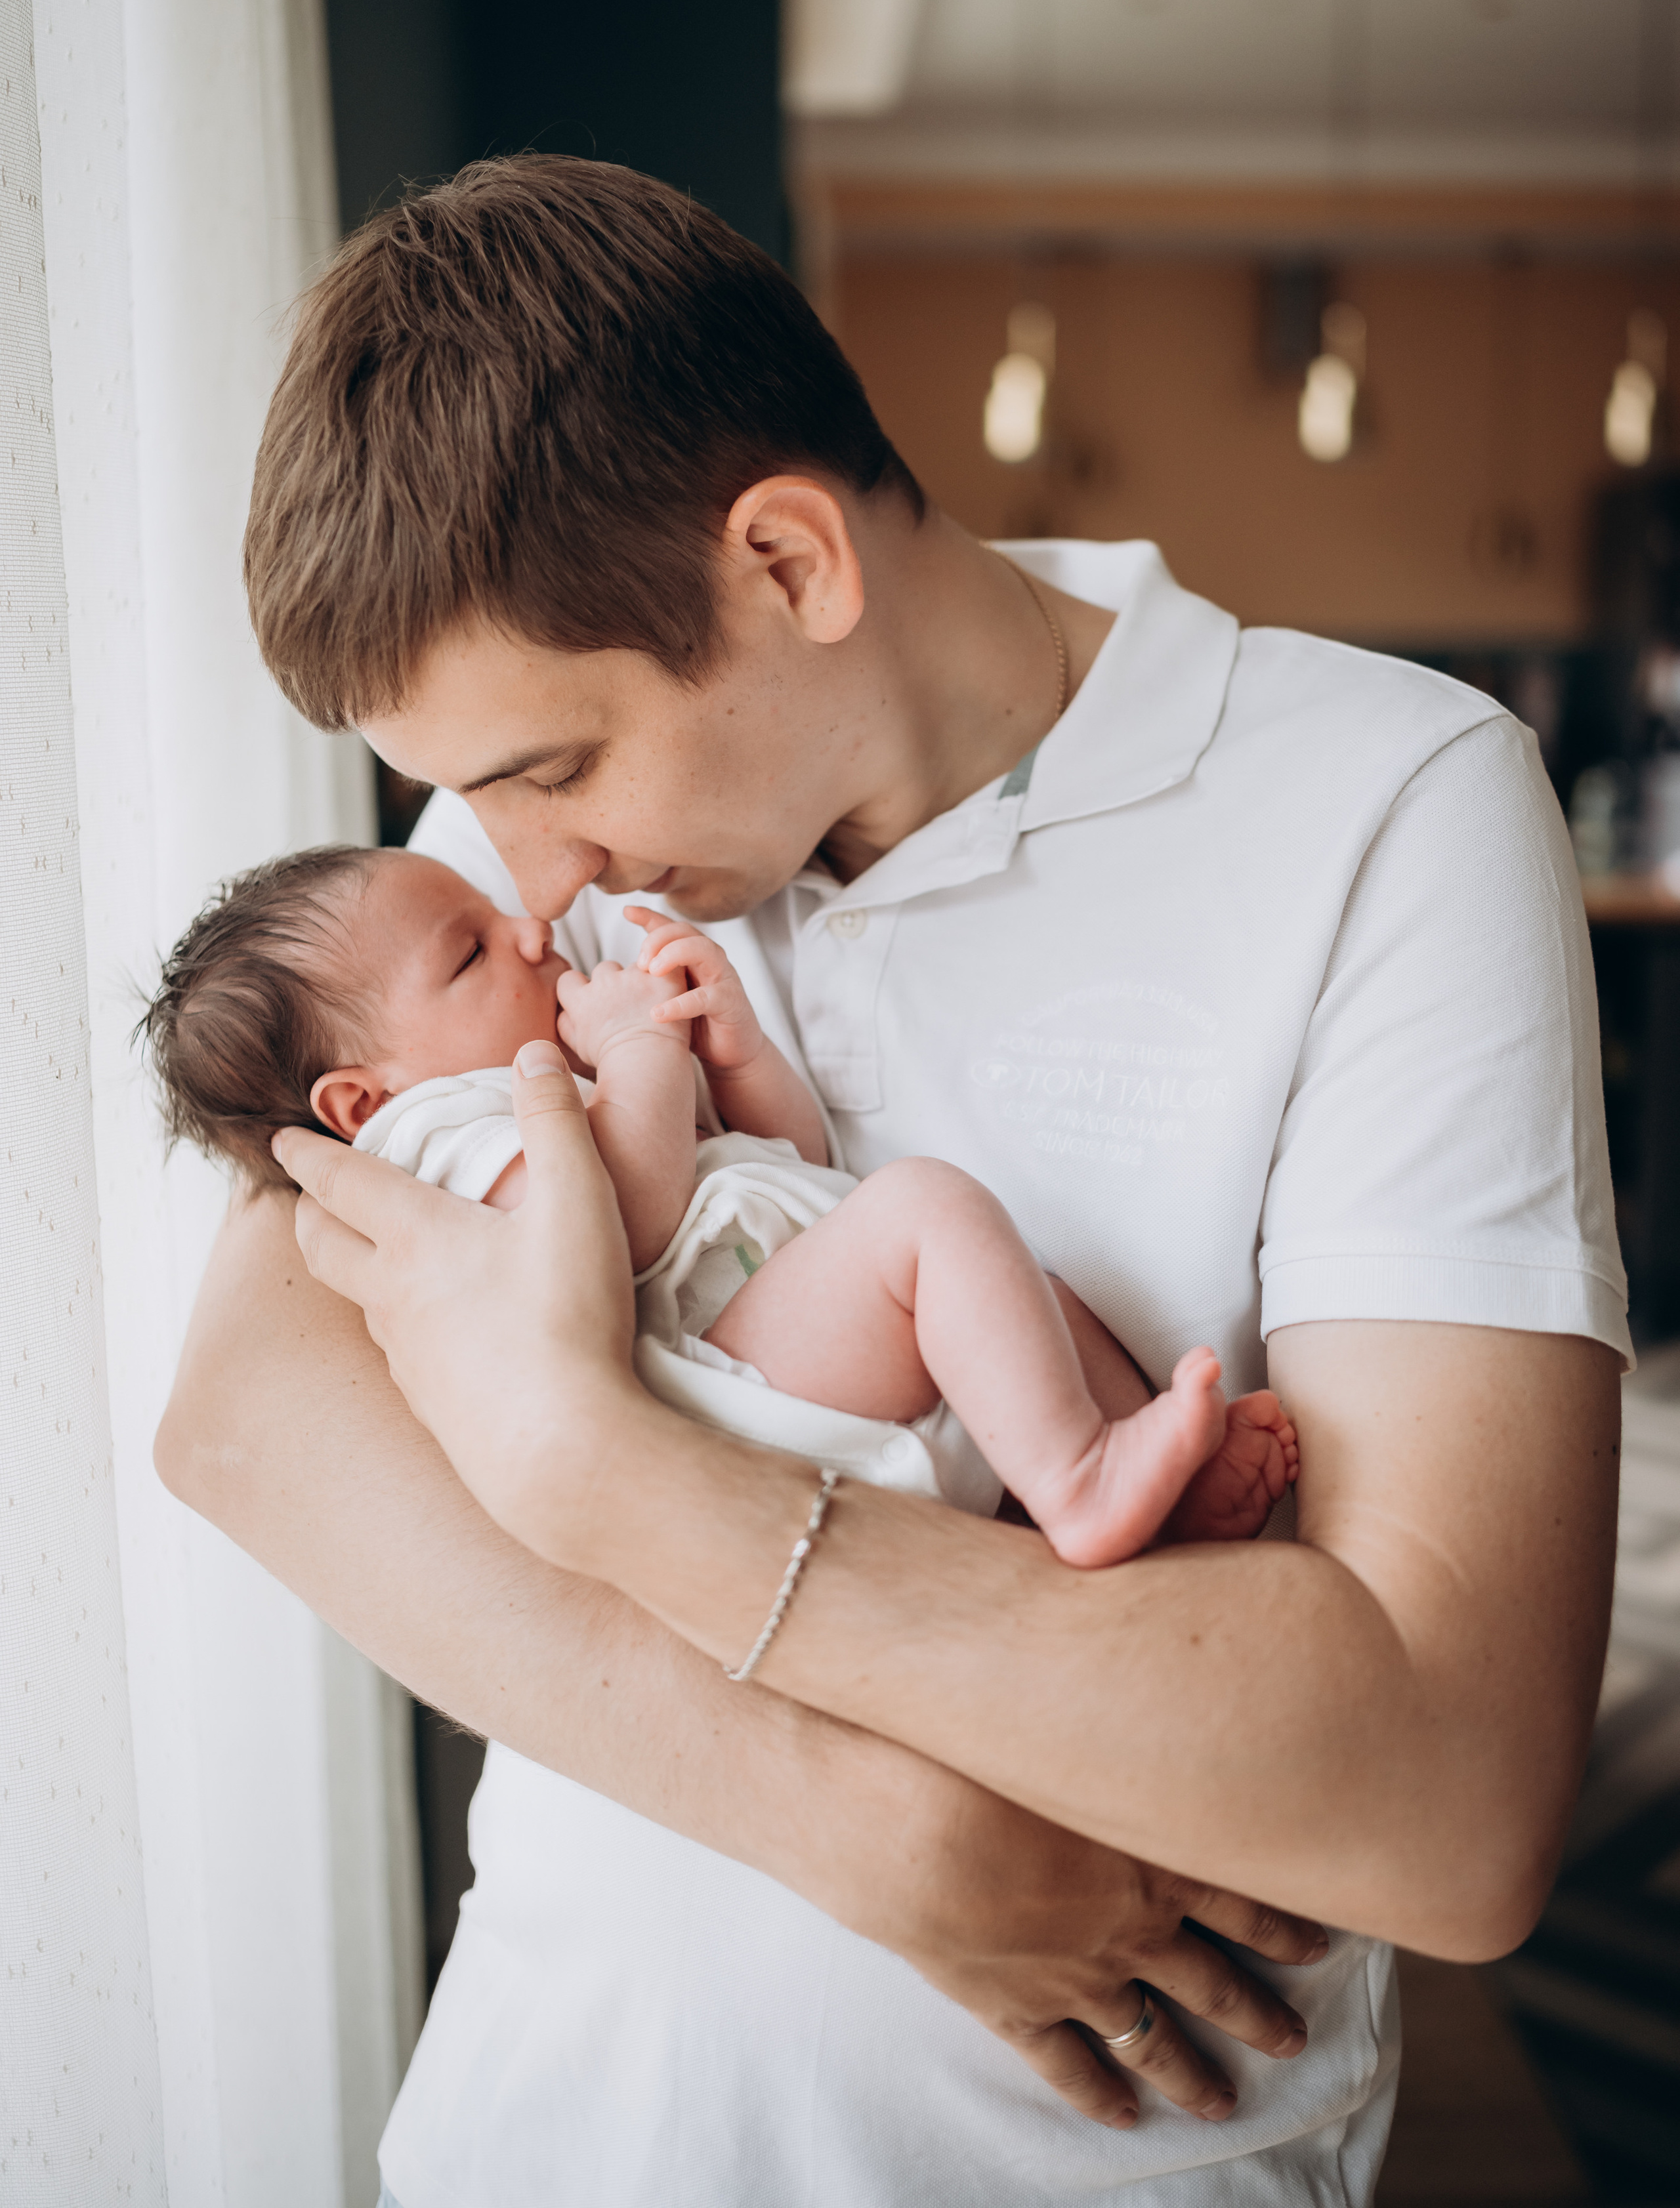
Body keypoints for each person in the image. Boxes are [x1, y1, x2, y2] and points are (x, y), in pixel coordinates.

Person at [158, 156, 1626, 2208]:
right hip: (534, 2136)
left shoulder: (1387, 807)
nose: (524, 865)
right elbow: (245, 1419)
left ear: (785, 561)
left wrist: (612, 1480)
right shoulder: (501, 864)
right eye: (480, 792)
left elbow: (1452, 1803)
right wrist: (849, 1819)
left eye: (552, 771)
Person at [140, 844, 1299, 1566]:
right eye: (471, 954)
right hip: (723, 1385)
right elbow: (607, 1241)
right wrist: (644, 1054)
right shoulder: (431, 1144)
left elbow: (787, 1176)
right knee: (928, 1215)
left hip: (757, 1323)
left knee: (999, 1289)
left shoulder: (552, 1080)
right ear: (358, 1099)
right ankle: (1082, 1483)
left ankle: (1136, 1488)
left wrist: (730, 1057)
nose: (534, 931)